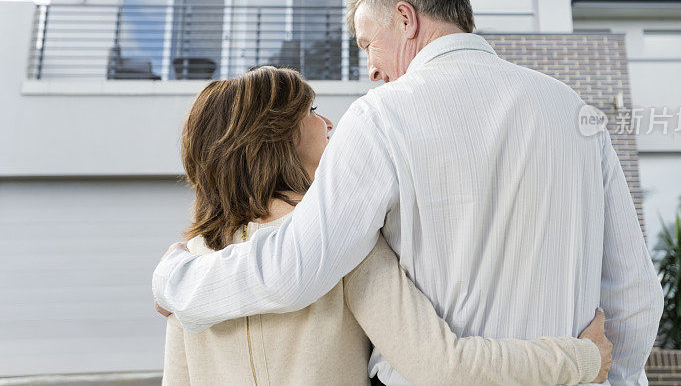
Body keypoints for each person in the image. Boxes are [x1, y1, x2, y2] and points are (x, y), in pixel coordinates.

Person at [154, 0, 664, 385]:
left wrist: (174, 283)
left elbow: (294, 269)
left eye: (368, 44)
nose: (371, 69)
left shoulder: (380, 117)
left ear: (406, 19)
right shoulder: (573, 110)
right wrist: (601, 370)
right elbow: (635, 298)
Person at [161, 65, 611, 385]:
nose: (329, 121)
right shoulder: (338, 244)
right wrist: (581, 358)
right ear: (276, 135)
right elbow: (442, 367)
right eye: (312, 109)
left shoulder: (192, 266)